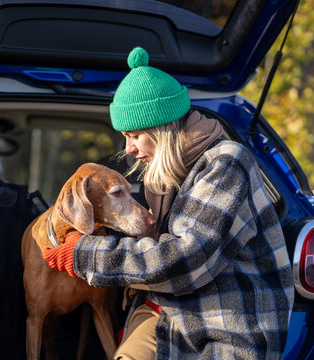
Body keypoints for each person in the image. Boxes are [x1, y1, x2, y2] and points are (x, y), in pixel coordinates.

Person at [42, 47, 294, 359]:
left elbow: (187, 259)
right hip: (167, 316)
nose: (129, 149)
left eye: (134, 135)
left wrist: (87, 255)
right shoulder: (161, 178)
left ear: (161, 128)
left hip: (225, 330)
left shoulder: (226, 164)